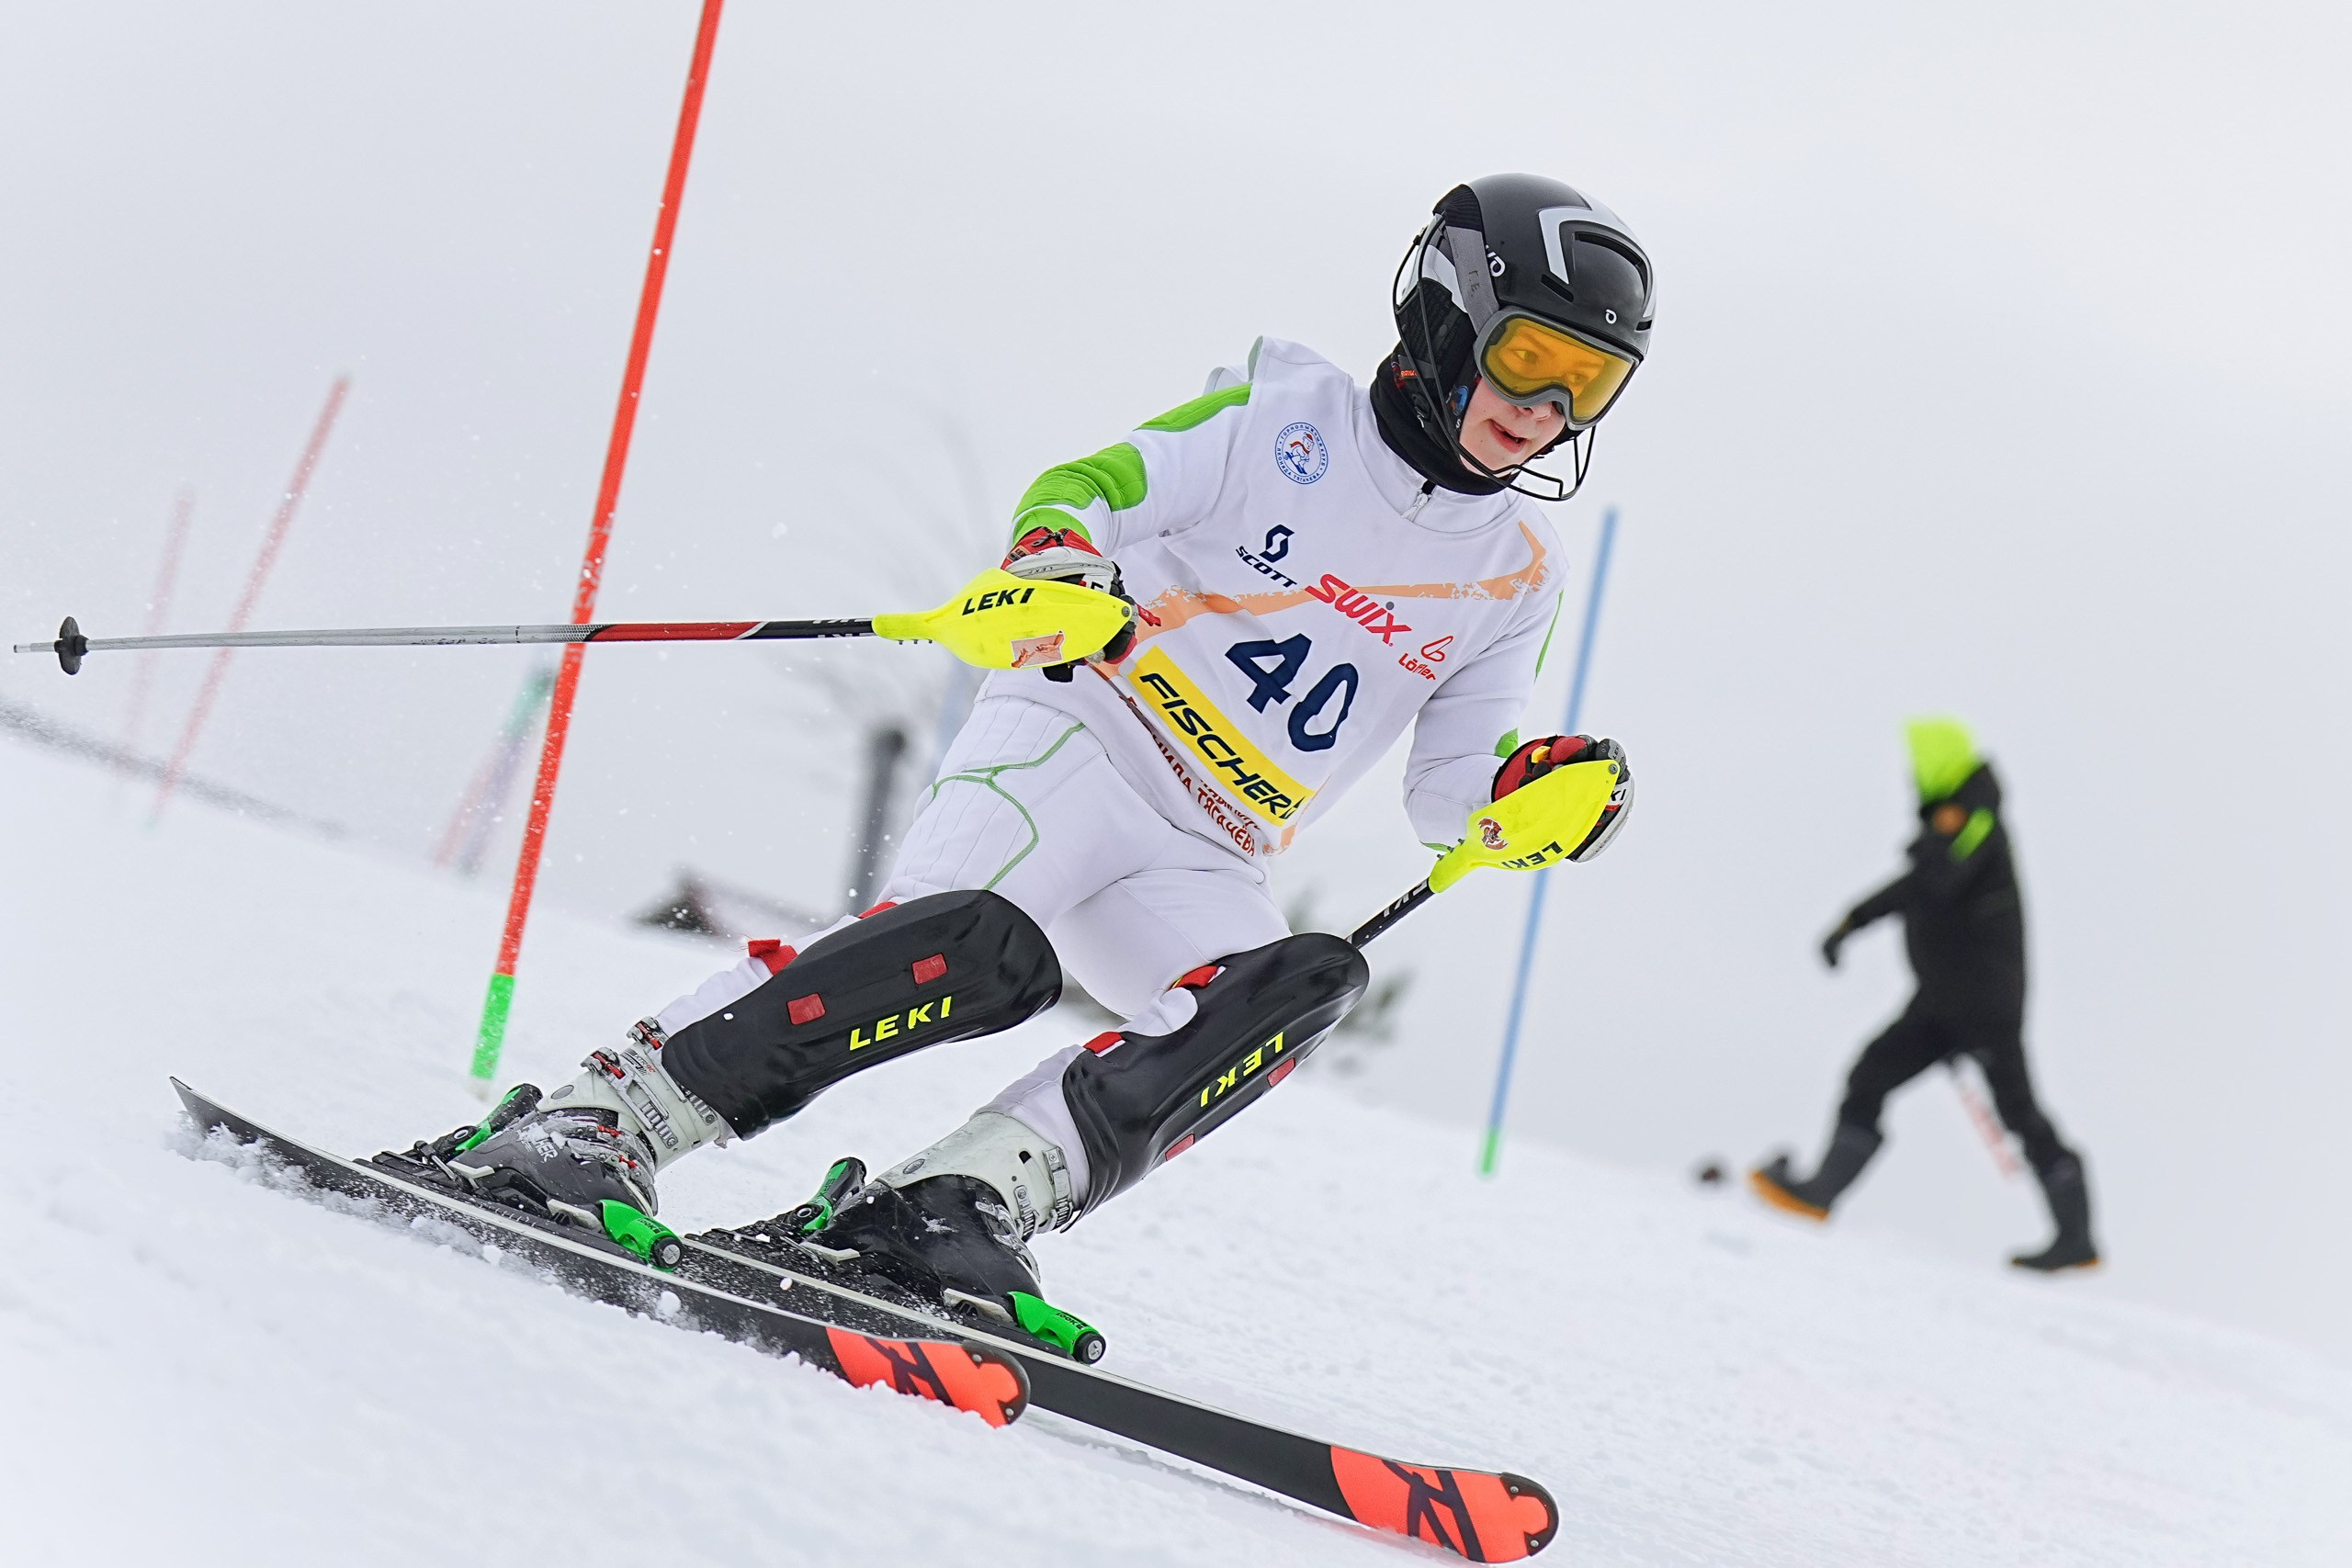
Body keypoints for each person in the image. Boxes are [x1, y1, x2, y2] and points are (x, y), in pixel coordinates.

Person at [390, 174, 1654, 1327]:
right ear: (1444, 317)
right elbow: (1092, 484)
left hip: (1210, 841)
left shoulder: (1512, 576)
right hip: (1083, 734)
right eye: (1529, 356)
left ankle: (944, 1204)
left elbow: (1450, 792)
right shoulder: (1289, 417)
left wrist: (1520, 799)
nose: (1544, 409)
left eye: (1586, 385)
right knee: (966, 945)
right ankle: (605, 1116)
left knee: (1294, 988)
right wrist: (1058, 560)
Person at [1751, 718, 2099, 1273]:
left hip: (1980, 1006)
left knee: (2017, 1112)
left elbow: (1928, 882)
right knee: (1871, 1075)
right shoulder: (1963, 819)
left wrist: (1852, 920)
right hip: (1945, 1002)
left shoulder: (1973, 819)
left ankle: (2076, 1239)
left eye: (1920, 763)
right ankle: (1819, 1193)